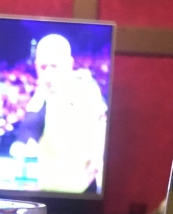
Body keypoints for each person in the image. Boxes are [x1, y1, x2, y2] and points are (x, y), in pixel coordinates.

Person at [11, 34, 107, 194]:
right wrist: (25, 144)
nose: (48, 73)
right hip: (48, 190)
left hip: (83, 190)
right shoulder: (40, 96)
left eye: (54, 66)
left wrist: (97, 157)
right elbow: (31, 125)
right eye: (43, 67)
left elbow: (101, 124)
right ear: (36, 66)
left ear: (69, 64)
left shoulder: (88, 91)